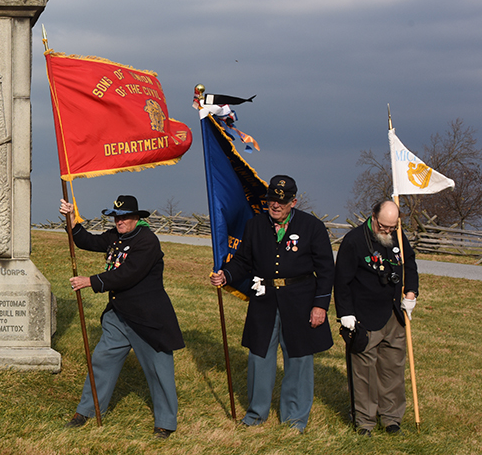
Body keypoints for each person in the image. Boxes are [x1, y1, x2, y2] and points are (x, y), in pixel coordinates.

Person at [210, 175, 334, 432]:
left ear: (293, 201)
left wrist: (320, 305)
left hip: (300, 301)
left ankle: (294, 419)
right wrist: (226, 275)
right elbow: (244, 261)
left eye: (282, 200)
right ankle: (256, 414)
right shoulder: (254, 225)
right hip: (264, 301)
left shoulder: (312, 227)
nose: (275, 205)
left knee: (298, 359)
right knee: (259, 356)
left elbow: (326, 271)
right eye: (271, 200)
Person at [60, 195, 184, 439]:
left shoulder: (148, 241)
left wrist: (90, 281)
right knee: (101, 361)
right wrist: (72, 221)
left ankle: (165, 423)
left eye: (125, 216)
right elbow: (88, 241)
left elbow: (128, 274)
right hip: (118, 315)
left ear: (137, 218)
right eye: (117, 216)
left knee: (159, 370)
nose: (120, 221)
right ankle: (88, 410)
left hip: (147, 318)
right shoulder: (116, 236)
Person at [334, 200, 418, 436]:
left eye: (392, 227)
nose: (387, 231)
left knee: (393, 369)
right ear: (373, 216)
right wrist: (345, 314)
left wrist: (411, 293)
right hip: (363, 317)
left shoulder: (399, 237)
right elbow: (342, 280)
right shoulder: (354, 240)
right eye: (383, 226)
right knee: (364, 372)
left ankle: (392, 419)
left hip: (394, 314)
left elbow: (409, 264)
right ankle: (365, 422)